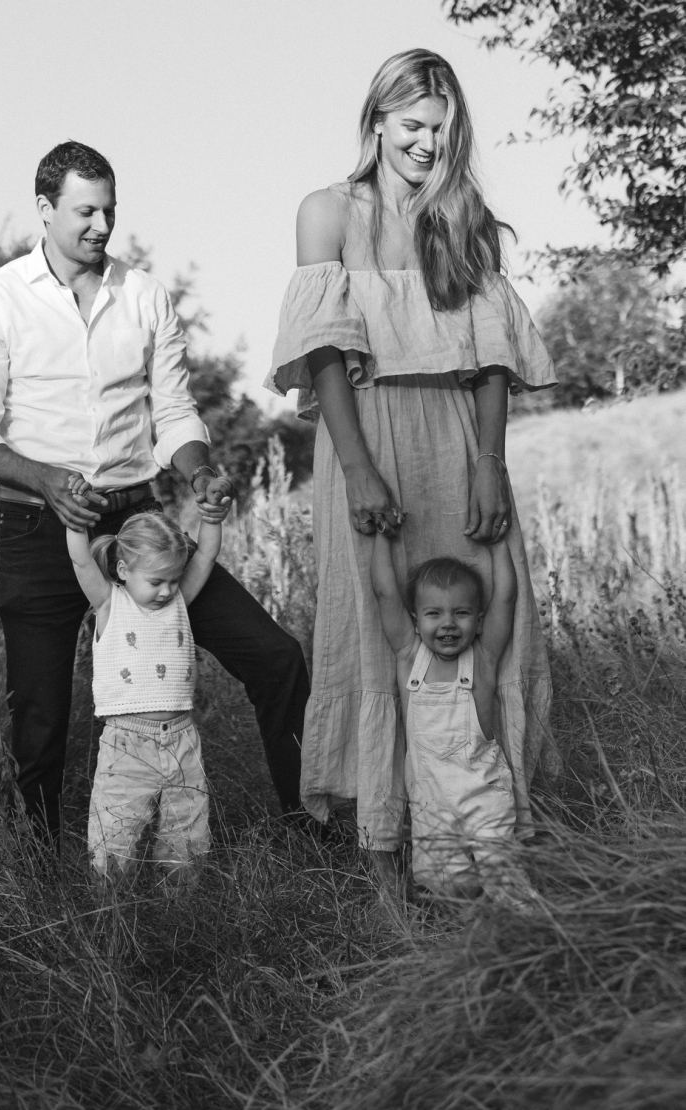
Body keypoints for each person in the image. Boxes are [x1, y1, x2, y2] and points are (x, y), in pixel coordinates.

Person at [0, 140, 310, 843]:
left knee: (275, 656)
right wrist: (47, 481)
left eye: (109, 210)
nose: (101, 225)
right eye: (86, 211)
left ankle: (310, 822)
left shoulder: (144, 295)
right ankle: (42, 868)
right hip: (36, 526)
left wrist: (199, 469)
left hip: (140, 527)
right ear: (45, 208)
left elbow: (174, 414)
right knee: (41, 717)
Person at [266, 49, 556, 887]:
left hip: (457, 434)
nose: (427, 143)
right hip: (368, 432)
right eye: (413, 126)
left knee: (488, 606)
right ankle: (393, 851)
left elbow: (493, 361)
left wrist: (491, 464)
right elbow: (325, 352)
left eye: (442, 128)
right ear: (378, 121)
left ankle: (490, 830)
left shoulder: (462, 220)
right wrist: (358, 469)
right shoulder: (327, 212)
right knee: (378, 623)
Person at [370, 529, 539, 904]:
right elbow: (385, 593)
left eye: (461, 613)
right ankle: (469, 933)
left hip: (483, 792)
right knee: (447, 884)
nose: (448, 623)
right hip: (430, 799)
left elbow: (506, 598)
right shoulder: (409, 657)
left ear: (478, 621)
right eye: (434, 613)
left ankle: (529, 928)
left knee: (503, 873)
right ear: (415, 621)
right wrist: (382, 539)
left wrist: (498, 547)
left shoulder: (484, 657)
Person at [65, 509, 220, 879]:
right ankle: (110, 912)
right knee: (114, 835)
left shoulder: (178, 601)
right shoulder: (108, 603)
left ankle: (181, 912)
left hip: (183, 739)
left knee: (188, 834)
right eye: (156, 581)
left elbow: (207, 555)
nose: (167, 590)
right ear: (122, 571)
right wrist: (74, 521)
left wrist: (212, 516)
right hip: (128, 743)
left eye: (173, 579)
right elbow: (80, 558)